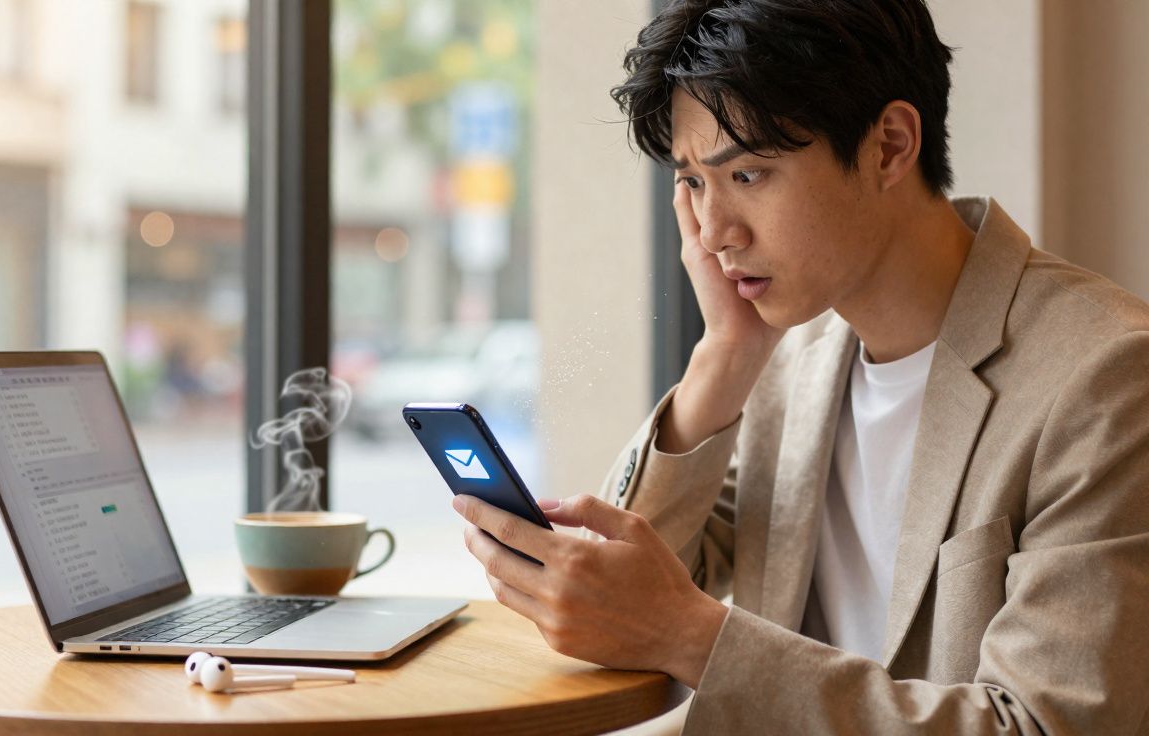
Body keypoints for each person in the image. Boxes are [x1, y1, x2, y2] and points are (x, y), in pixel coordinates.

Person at [451, 0, 1149, 732]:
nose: (716, 233)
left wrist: (695, 637)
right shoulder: (798, 357)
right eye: (693, 182)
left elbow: (1038, 725)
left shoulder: (1105, 377)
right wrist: (722, 357)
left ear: (889, 146)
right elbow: (637, 589)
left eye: (747, 175)